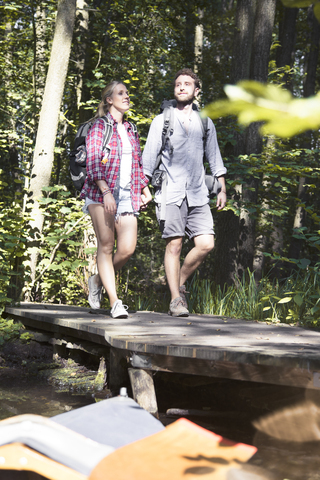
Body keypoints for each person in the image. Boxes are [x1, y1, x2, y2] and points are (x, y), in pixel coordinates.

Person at [142, 68, 227, 317]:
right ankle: (176, 300)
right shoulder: (161, 121)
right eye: (178, 84)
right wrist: (142, 189)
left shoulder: (205, 122)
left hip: (199, 193)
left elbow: (214, 157)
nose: (181, 87)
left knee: (206, 244)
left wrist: (222, 188)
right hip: (171, 192)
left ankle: (176, 283)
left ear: (196, 90)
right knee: (175, 245)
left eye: (187, 84)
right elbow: (148, 159)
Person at [80, 80, 152, 318]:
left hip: (127, 196)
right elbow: (92, 161)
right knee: (107, 245)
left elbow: (137, 164)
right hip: (100, 194)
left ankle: (97, 281)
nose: (127, 96)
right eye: (121, 93)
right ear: (109, 100)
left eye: (128, 93)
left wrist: (143, 188)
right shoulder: (100, 126)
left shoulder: (131, 129)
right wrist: (105, 191)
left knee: (127, 249)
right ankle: (114, 302)